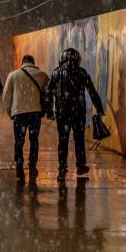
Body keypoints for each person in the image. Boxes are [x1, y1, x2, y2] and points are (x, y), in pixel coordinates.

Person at [46, 47, 105, 179]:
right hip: (78, 112)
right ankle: (80, 166)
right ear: (77, 59)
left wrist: (49, 111)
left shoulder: (56, 73)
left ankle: (62, 168)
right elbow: (92, 91)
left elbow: (48, 93)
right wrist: (99, 108)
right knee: (79, 139)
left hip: (62, 112)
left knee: (63, 140)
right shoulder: (81, 73)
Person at [2, 55, 50, 179]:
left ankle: (19, 166)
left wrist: (10, 112)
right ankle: (32, 166)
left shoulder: (13, 75)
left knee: (19, 141)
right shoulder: (43, 75)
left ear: (23, 63)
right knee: (34, 141)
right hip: (35, 113)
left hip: (19, 114)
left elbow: (6, 96)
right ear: (33, 63)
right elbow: (48, 95)